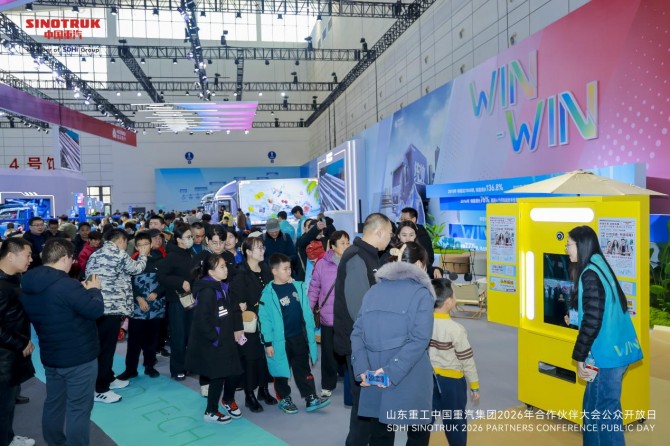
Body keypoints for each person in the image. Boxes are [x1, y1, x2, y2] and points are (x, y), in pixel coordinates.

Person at [21, 238, 104, 446]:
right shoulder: (67, 285)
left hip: (51, 355)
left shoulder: (28, 283)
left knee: (54, 403)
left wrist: (81, 293)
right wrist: (94, 290)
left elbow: (62, 308)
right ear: (65, 257)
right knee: (78, 409)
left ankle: (55, 442)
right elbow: (95, 310)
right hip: (78, 357)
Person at [350, 242, 434, 446]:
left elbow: (357, 333)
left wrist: (362, 369)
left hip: (373, 372)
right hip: (410, 373)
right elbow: (420, 340)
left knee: (380, 433)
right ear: (419, 265)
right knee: (418, 433)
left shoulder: (373, 291)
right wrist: (390, 372)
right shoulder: (422, 294)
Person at [567, 225, 643, 446]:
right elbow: (602, 308)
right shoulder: (600, 264)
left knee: (600, 417)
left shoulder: (589, 273)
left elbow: (593, 320)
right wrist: (575, 319)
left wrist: (579, 356)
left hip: (605, 357)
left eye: (569, 245)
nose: (567, 250)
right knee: (600, 411)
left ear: (581, 245)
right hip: (616, 353)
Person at [334, 213, 392, 446]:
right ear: (379, 232)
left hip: (372, 345)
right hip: (363, 348)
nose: (390, 238)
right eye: (389, 233)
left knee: (375, 404)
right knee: (365, 407)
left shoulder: (371, 256)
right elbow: (359, 310)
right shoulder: (357, 257)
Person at [259, 253, 330, 414]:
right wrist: (268, 343)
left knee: (303, 368)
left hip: (298, 337)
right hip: (280, 341)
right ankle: (284, 398)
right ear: (274, 271)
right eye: (285, 269)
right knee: (281, 371)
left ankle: (311, 397)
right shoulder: (268, 294)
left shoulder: (297, 287)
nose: (289, 271)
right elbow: (264, 321)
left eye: (289, 268)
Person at [86, 229, 150, 403]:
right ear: (121, 240)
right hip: (111, 308)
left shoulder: (95, 254)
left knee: (102, 346)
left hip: (96, 307)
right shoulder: (118, 254)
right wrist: (143, 254)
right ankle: (100, 388)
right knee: (106, 349)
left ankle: (107, 377)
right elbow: (137, 268)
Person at [187, 254, 244, 424]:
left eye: (225, 266)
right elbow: (202, 320)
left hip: (227, 338)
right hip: (216, 342)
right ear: (211, 272)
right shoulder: (207, 291)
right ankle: (211, 411)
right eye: (222, 267)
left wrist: (234, 330)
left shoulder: (222, 286)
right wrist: (216, 338)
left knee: (235, 371)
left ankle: (227, 399)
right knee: (218, 377)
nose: (226, 269)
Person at [229, 236, 277, 413]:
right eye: (258, 248)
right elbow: (237, 300)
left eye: (263, 247)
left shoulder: (265, 269)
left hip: (266, 321)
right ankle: (249, 394)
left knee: (264, 357)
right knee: (250, 359)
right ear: (248, 252)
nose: (262, 251)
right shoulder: (240, 273)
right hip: (249, 322)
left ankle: (263, 389)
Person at [430, 278, 480, 446]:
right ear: (449, 302)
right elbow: (467, 360)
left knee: (425, 419)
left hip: (428, 379)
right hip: (452, 382)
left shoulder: (423, 323)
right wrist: (474, 384)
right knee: (455, 422)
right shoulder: (456, 330)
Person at [116, 231, 166, 381]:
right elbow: (127, 283)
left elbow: (166, 281)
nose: (143, 247)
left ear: (151, 245)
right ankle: (130, 369)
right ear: (136, 247)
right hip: (137, 307)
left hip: (156, 306)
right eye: (140, 245)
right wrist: (138, 297)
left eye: (146, 244)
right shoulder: (131, 263)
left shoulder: (161, 261)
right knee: (134, 340)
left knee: (152, 339)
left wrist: (157, 292)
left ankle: (150, 366)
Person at [0, 238, 36, 446]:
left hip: (11, 356)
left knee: (8, 404)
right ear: (11, 256)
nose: (31, 259)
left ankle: (9, 437)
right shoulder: (1, 286)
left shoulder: (13, 279)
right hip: (4, 358)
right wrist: (19, 342)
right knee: (3, 407)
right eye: (27, 255)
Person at [308, 230, 350, 398]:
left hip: (347, 316)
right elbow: (314, 288)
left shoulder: (353, 262)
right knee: (328, 352)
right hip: (328, 315)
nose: (346, 246)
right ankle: (327, 384)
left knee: (348, 350)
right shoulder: (322, 264)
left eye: (348, 242)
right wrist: (308, 310)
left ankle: (347, 378)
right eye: (342, 243)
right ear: (333, 246)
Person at [157, 223, 196, 380]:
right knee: (179, 335)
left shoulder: (190, 253)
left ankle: (189, 365)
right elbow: (162, 276)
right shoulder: (172, 256)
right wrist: (180, 282)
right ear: (179, 239)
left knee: (190, 334)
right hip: (177, 301)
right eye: (188, 237)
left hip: (191, 299)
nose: (191, 239)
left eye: (191, 236)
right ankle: (177, 368)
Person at [400, 207, 435, 271]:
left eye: (405, 219)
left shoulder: (422, 234)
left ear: (414, 219)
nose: (403, 222)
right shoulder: (399, 231)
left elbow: (429, 257)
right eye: (401, 220)